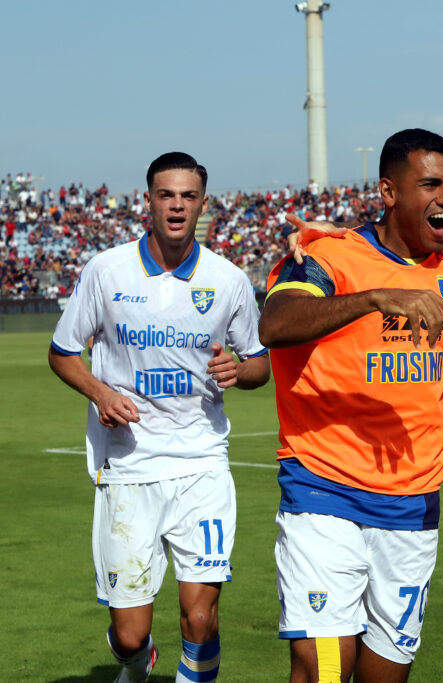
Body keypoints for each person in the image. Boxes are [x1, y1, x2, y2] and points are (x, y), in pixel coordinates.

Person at [48, 152, 270, 683]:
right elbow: (62, 352)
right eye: (166, 195)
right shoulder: (106, 270)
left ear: (202, 205)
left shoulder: (228, 279)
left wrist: (240, 370)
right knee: (127, 635)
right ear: (148, 200)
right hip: (128, 467)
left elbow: (261, 363)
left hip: (202, 466)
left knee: (201, 617)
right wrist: (100, 392)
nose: (176, 206)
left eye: (187, 196)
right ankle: (138, 659)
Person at [258, 129, 443, 683]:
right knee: (326, 670)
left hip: (413, 505)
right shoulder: (328, 258)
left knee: (386, 675)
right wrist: (376, 297)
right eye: (429, 184)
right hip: (324, 491)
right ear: (388, 191)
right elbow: (276, 324)